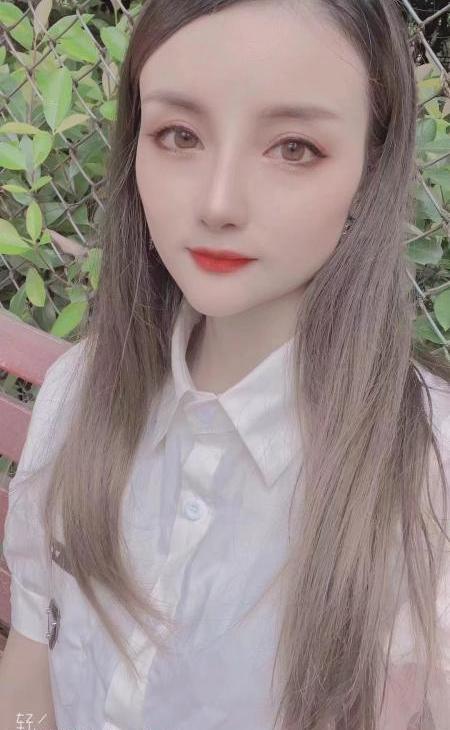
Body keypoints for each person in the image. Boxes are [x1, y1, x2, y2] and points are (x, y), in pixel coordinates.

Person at [0, 1, 449, 729]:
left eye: (294, 148)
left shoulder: (429, 478)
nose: (218, 204)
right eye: (179, 135)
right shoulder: (78, 392)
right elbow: (29, 673)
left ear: (371, 171)